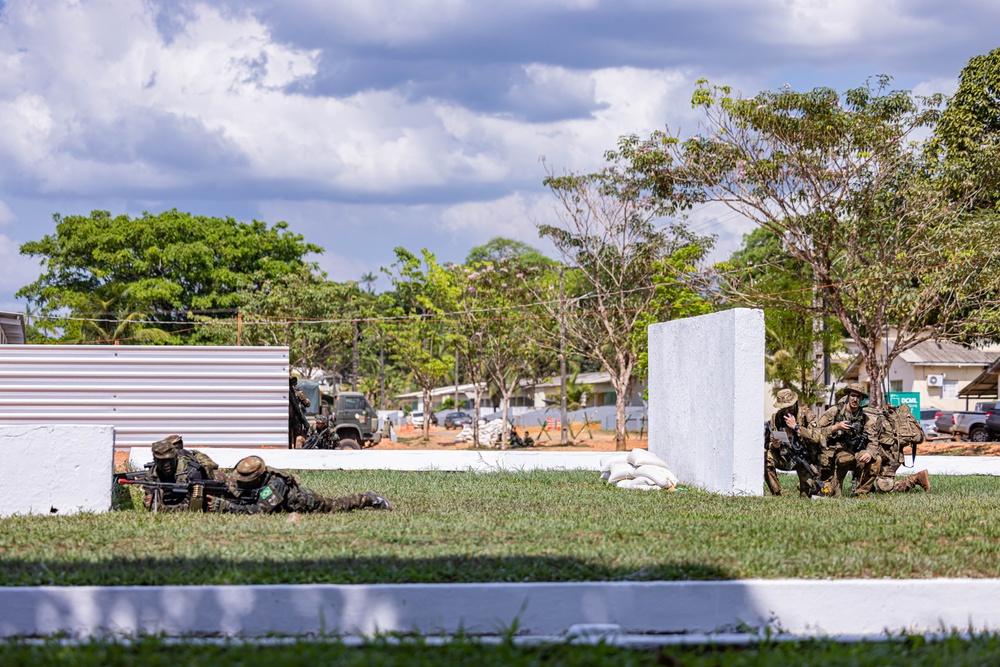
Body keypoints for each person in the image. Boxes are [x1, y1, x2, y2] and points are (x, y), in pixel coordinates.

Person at [817, 383, 930, 497]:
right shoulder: (834, 412)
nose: (855, 399)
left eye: (858, 397)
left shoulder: (865, 418)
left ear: (861, 400)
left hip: (879, 458)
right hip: (833, 457)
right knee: (828, 492)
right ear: (848, 396)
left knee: (883, 486)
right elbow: (815, 432)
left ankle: (861, 493)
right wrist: (836, 427)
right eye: (853, 396)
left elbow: (873, 442)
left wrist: (869, 453)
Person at [207, 455, 392, 514]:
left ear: (256, 477)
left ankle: (370, 498)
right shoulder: (254, 479)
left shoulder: (275, 485)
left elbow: (260, 510)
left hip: (305, 502)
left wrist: (228, 507)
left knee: (337, 505)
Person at [764, 388, 827, 497]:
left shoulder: (807, 415)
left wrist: (796, 427)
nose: (787, 411)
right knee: (766, 458)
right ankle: (776, 494)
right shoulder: (776, 419)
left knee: (807, 494)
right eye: (783, 408)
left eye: (789, 407)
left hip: (805, 460)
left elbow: (817, 437)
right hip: (785, 458)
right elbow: (765, 444)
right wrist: (773, 445)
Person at [143, 435, 226, 512]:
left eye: (169, 460)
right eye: (161, 461)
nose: (166, 465)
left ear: (176, 457)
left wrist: (163, 509)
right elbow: (150, 499)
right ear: (155, 460)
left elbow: (192, 508)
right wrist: (150, 502)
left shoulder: (192, 472)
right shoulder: (152, 474)